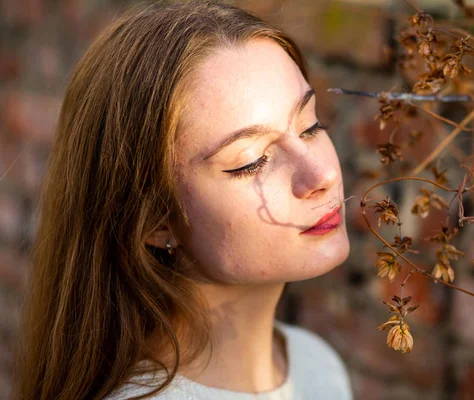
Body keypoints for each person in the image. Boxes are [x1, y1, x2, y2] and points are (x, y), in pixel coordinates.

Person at [14, 1, 352, 399]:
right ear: (155, 219)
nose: (322, 175)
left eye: (310, 126)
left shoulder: (316, 366)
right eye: (251, 161)